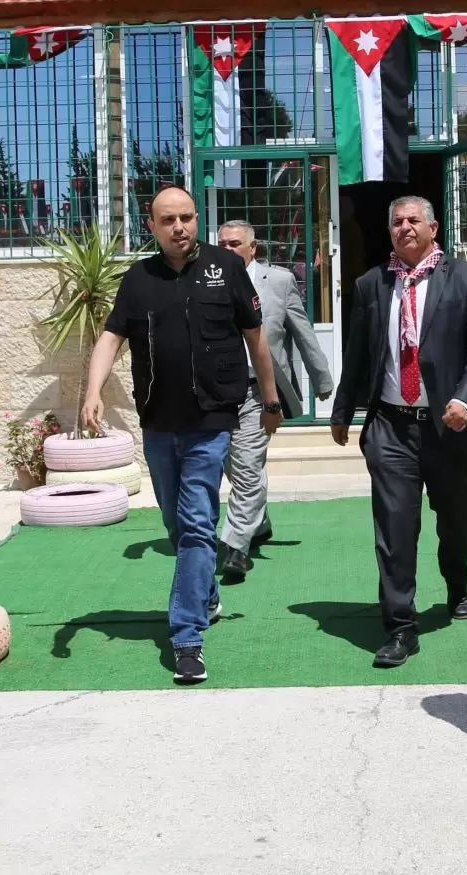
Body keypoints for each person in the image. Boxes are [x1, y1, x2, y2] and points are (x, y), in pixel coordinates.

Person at [81, 186, 283, 685]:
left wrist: (271, 400)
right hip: (158, 422)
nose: (179, 227)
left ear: (197, 219)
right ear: (151, 226)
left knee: (195, 524)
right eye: (168, 219)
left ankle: (187, 637)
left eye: (187, 217)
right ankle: (206, 595)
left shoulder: (226, 267)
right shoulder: (138, 279)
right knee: (176, 523)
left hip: (211, 420)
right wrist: (92, 391)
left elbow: (255, 338)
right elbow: (111, 337)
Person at [330, 195, 467, 668]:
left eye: (413, 220)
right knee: (394, 527)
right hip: (391, 426)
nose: (404, 227)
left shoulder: (463, 278)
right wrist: (343, 410)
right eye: (397, 222)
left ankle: (457, 581)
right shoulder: (371, 284)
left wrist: (466, 398)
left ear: (432, 227)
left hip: (447, 427)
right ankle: (401, 626)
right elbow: (358, 352)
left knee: (456, 518)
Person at [216, 220, 334, 579]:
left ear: (253, 248)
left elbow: (301, 329)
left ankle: (235, 546)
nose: (227, 250)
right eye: (222, 244)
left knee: (248, 465)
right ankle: (260, 522)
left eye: (234, 243)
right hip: (218, 391)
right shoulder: (207, 280)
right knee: (234, 464)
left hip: (258, 390)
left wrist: (321, 378)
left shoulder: (279, 281)